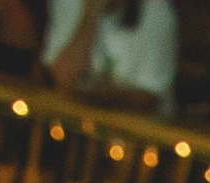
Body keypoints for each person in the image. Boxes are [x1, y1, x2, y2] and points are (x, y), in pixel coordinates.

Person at [44, 0, 179, 117]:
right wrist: (91, 15)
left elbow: (146, 100)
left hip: (136, 131)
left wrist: (98, 93)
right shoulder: (69, 3)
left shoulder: (158, 13)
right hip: (75, 125)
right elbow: (63, 78)